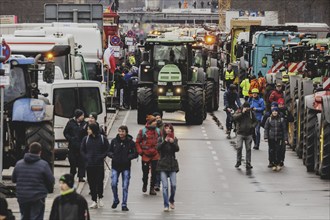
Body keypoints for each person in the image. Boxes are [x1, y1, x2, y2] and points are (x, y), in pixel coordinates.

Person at [12, 142, 55, 220]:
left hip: (22, 197)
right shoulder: (44, 165)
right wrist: (47, 190)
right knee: (36, 217)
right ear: (40, 152)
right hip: (38, 197)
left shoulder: (19, 164)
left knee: (24, 217)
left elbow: (14, 179)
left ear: (29, 150)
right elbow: (51, 180)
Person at [108, 125, 138, 211]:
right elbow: (109, 151)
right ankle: (116, 199)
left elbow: (135, 153)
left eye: (122, 131)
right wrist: (112, 156)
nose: (121, 133)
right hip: (115, 166)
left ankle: (124, 204)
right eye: (119, 131)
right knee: (113, 183)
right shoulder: (114, 141)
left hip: (126, 166)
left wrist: (128, 157)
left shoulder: (130, 142)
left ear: (126, 132)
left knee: (125, 186)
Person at [81, 123, 109, 209]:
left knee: (100, 182)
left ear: (93, 129)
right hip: (89, 165)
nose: (87, 130)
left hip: (99, 164)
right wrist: (86, 157)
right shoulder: (86, 139)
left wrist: (101, 156)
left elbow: (107, 149)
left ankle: (100, 197)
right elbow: (82, 150)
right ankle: (94, 200)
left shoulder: (102, 138)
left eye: (89, 129)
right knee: (91, 182)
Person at [136, 115, 161, 196]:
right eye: (154, 121)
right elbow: (137, 142)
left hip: (155, 155)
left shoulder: (158, 131)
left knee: (154, 172)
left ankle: (152, 188)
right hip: (145, 155)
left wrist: (159, 152)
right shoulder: (142, 131)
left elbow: (161, 142)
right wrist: (140, 152)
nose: (156, 122)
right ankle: (145, 183)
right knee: (145, 172)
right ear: (150, 122)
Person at [156, 123, 179, 212]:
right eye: (166, 128)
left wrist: (173, 143)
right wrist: (164, 141)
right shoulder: (160, 139)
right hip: (162, 164)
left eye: (170, 128)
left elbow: (177, 149)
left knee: (173, 185)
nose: (168, 130)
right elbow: (158, 148)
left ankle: (171, 200)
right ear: (164, 130)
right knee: (165, 186)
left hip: (172, 164)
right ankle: (166, 204)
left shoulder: (174, 138)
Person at [63, 109, 87, 182]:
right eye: (81, 115)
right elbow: (65, 132)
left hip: (81, 146)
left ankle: (81, 176)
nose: (83, 117)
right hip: (73, 146)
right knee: (72, 162)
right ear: (77, 116)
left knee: (81, 162)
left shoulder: (85, 124)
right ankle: (72, 174)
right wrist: (70, 138)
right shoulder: (70, 123)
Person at [232, 102, 257, 169]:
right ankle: (238, 161)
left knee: (248, 149)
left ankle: (248, 163)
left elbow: (255, 121)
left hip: (249, 133)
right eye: (245, 107)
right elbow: (234, 117)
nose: (247, 109)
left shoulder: (251, 113)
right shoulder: (239, 111)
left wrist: (252, 126)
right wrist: (242, 113)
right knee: (239, 147)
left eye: (248, 107)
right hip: (240, 133)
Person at [152, 112, 163, 191]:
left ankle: (157, 184)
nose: (157, 120)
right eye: (156, 118)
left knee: (158, 169)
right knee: (152, 169)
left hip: (160, 151)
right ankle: (151, 184)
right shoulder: (150, 128)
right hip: (152, 151)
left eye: (159, 118)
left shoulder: (165, 128)